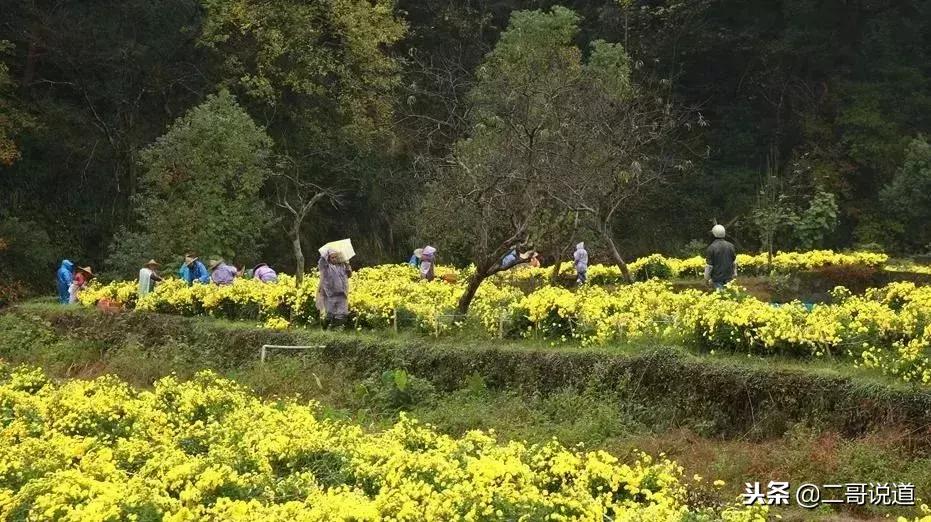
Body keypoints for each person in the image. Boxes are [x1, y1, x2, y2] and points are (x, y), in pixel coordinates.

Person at [316, 248, 352, 328]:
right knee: (330, 314)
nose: (334, 259)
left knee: (342, 314)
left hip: (342, 293)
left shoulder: (343, 265)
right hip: (330, 294)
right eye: (332, 257)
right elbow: (321, 263)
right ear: (329, 258)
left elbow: (349, 275)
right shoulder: (327, 267)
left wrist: (347, 266)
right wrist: (324, 254)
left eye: (336, 257)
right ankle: (325, 325)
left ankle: (333, 328)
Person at [705, 224, 737, 290]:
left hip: (717, 279)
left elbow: (709, 266)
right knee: (730, 296)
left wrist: (706, 279)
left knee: (721, 298)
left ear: (713, 234)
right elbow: (734, 262)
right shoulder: (731, 246)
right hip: (729, 278)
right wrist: (735, 274)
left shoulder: (711, 248)